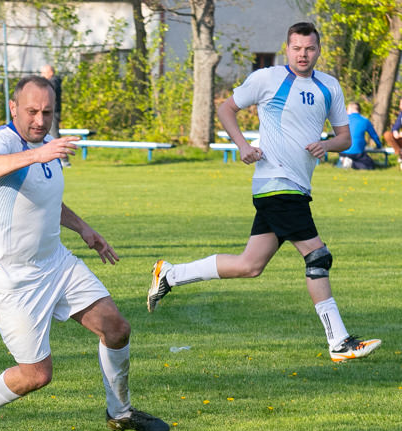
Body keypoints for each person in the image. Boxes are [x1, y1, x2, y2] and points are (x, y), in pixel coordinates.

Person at [147, 22, 381, 363]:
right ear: (287, 49)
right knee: (317, 256)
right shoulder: (267, 78)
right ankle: (340, 342)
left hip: (298, 186)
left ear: (319, 50)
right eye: (297, 48)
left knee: (249, 265)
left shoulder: (329, 86)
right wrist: (242, 145)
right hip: (275, 184)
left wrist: (326, 144)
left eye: (310, 48)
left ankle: (169, 274)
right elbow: (227, 109)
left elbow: (344, 138)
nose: (303, 54)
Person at [0, 76, 169, 431]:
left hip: (55, 263)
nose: (40, 120)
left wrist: (84, 229)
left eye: (48, 112)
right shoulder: (2, 142)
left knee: (116, 328)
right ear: (13, 107)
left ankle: (119, 412)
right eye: (32, 111)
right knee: (36, 375)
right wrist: (37, 153)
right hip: (10, 276)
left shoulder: (47, 147)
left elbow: (46, 201)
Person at [40, 64, 69, 167]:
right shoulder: (51, 82)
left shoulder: (53, 82)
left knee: (54, 136)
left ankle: (64, 159)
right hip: (47, 111)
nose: (42, 75)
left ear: (50, 73)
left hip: (52, 112)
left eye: (44, 73)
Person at [339, 102, 380, 169]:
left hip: (342, 151)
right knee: (370, 165)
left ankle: (345, 161)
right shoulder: (365, 121)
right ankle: (351, 164)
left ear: (351, 110)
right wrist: (379, 145)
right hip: (356, 152)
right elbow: (374, 136)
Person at [382, 99, 402, 170]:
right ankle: (399, 153)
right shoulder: (401, 114)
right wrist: (395, 131)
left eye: (401, 104)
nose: (400, 106)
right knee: (387, 134)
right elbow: (395, 126)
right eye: (400, 104)